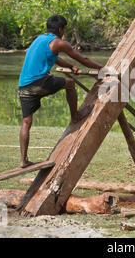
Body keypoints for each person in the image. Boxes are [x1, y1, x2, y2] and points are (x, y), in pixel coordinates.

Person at [18, 14, 103, 168]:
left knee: (26, 122)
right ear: (60, 29)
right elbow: (83, 59)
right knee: (70, 83)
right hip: (38, 82)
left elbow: (53, 57)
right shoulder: (58, 42)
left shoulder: (39, 39)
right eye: (64, 29)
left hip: (24, 86)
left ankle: (23, 160)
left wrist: (71, 67)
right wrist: (102, 68)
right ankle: (75, 116)